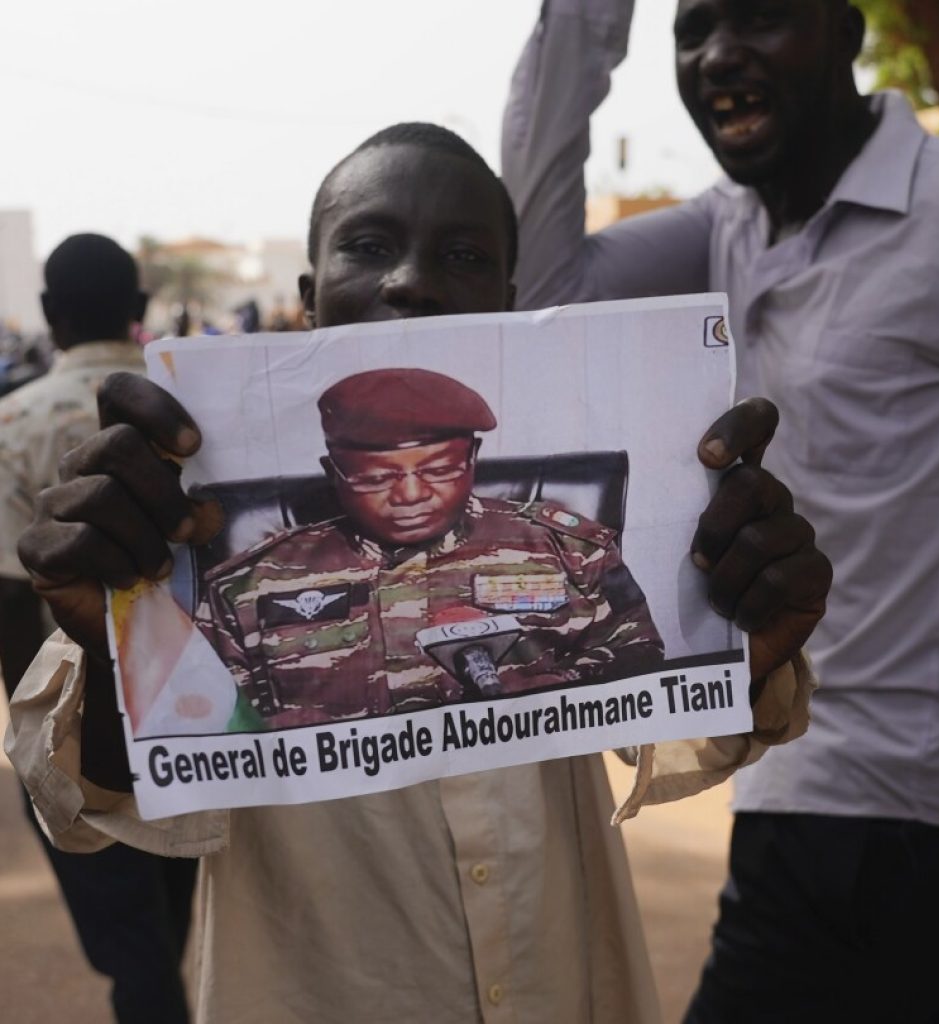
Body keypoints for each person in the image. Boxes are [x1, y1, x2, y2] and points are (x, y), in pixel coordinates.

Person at [9, 124, 829, 1023]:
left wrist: (742, 643)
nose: (412, 280)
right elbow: (102, 801)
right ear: (310, 298)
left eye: (465, 254)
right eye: (368, 246)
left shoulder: (567, 545)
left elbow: (668, 730)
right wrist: (119, 647)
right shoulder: (225, 574)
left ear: (508, 306)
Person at [502, 2, 939, 1021]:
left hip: (892, 792)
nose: (719, 56)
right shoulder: (726, 229)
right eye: (692, 31)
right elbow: (539, 296)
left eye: (761, 20)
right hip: (804, 772)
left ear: (843, 32)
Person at [195, 366, 664, 728]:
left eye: (439, 470)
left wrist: (546, 694)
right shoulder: (251, 586)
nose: (412, 495)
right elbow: (211, 726)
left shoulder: (568, 548)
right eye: (376, 477)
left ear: (473, 458)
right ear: (332, 471)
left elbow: (641, 664)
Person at [0, 234, 196, 1024]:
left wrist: (37, 744)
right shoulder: (190, 413)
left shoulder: (12, 424)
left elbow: (12, 604)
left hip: (78, 728)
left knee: (132, 948)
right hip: (196, 712)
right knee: (174, 914)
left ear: (49, 315)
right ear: (141, 308)